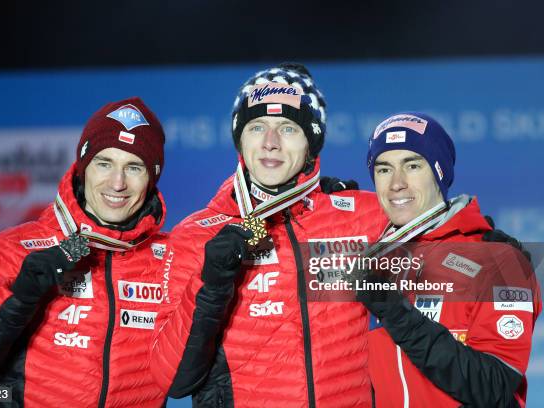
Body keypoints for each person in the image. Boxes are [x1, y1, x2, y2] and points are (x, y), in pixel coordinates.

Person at [150, 63, 387, 407]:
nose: (270, 143)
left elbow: (463, 280)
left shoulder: (362, 215)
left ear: (311, 143)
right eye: (257, 126)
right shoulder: (197, 235)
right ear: (240, 139)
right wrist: (211, 285)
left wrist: (474, 238)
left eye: (288, 128)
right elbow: (172, 380)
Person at [0, 97, 169, 407]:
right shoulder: (16, 248)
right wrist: (20, 297)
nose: (117, 183)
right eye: (104, 163)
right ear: (83, 168)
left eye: (134, 167)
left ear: (152, 178)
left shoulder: (171, 257)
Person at [359, 112, 542, 407]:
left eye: (413, 165)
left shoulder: (499, 262)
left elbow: (493, 387)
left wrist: (396, 314)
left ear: (439, 173)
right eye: (383, 169)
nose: (396, 183)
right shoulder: (371, 261)